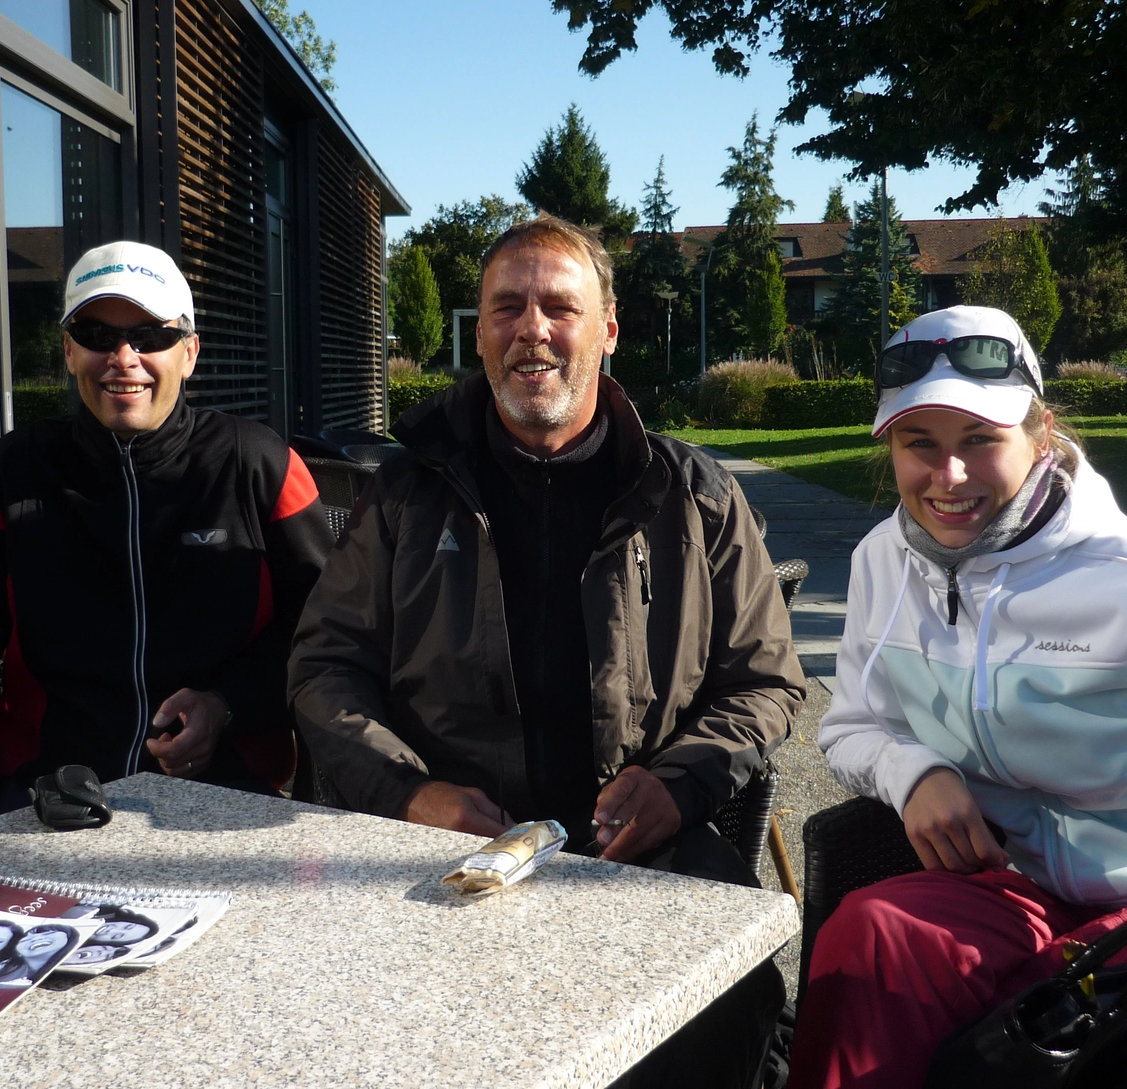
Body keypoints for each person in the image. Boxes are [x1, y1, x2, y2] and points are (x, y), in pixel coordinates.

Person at [289, 213, 805, 1088]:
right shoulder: (407, 494)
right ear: (480, 334)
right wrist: (409, 793)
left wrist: (677, 785)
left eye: (559, 307)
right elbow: (323, 667)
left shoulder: (695, 494)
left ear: (607, 330)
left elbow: (766, 681)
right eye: (507, 307)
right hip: (445, 850)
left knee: (729, 1005)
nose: (531, 328)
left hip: (642, 849)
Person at [791, 305, 1127, 1089]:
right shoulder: (880, 561)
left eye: (980, 440)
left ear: (1041, 433)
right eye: (921, 443)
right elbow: (851, 724)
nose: (949, 476)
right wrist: (913, 771)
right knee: (869, 936)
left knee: (1037, 1014)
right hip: (1025, 880)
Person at [0, 241, 335, 837]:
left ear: (189, 352)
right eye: (97, 335)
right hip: (40, 798)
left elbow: (325, 631)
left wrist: (226, 702)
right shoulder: (6, 474)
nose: (123, 358)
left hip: (228, 800)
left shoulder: (259, 464)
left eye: (150, 336)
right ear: (69, 351)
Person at [0, 925, 83, 988]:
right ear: (18, 952)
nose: (35, 938)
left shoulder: (76, 967)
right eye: (25, 939)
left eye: (49, 933)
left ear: (69, 940)